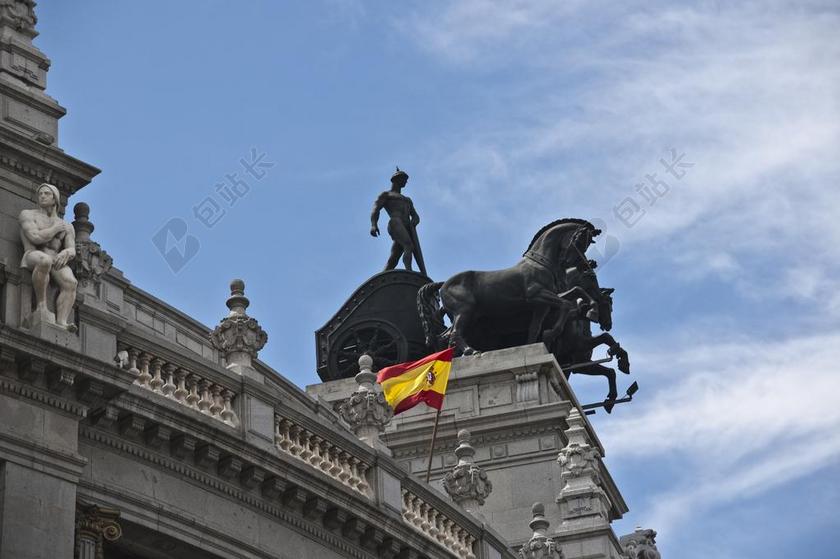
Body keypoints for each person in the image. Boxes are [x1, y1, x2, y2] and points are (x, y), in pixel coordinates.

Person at [19, 183, 78, 331]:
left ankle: (62, 321)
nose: (42, 196)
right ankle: (41, 306)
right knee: (44, 261)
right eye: (40, 194)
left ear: (55, 199)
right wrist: (55, 229)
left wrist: (67, 252)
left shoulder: (67, 226)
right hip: (32, 254)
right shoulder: (28, 214)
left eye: (47, 194)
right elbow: (35, 237)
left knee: (71, 282)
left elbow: (72, 248)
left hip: (55, 258)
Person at [370, 168, 427, 275]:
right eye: (404, 179)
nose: (406, 182)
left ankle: (384, 275)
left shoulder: (408, 200)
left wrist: (415, 220)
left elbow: (415, 215)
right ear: (396, 180)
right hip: (395, 222)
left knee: (394, 258)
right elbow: (376, 209)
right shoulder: (387, 195)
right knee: (408, 245)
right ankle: (409, 271)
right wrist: (374, 225)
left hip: (407, 227)